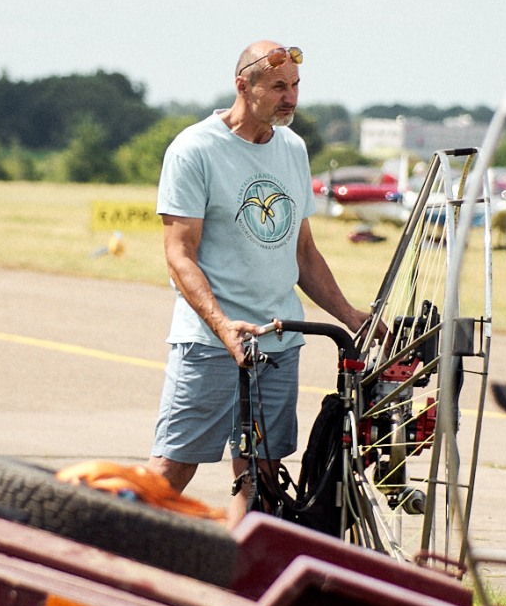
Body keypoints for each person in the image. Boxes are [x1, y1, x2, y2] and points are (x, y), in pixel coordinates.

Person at [146, 40, 370, 525]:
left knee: (262, 475)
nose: (290, 98)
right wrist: (223, 326)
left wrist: (351, 316)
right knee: (172, 467)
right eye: (278, 87)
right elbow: (179, 255)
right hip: (211, 341)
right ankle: (110, 556)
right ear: (243, 86)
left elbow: (303, 253)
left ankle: (241, 564)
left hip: (279, 341)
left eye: (295, 86)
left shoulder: (293, 149)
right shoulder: (195, 149)